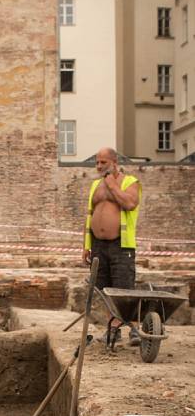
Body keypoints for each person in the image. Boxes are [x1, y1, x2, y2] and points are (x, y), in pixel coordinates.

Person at [82, 147, 142, 345]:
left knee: (124, 288)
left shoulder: (130, 182)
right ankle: (113, 329)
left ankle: (134, 329)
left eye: (103, 162)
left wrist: (112, 185)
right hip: (99, 245)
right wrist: (86, 245)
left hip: (121, 245)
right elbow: (90, 215)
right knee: (105, 289)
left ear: (114, 162)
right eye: (97, 162)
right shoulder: (95, 186)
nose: (99, 166)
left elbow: (130, 204)